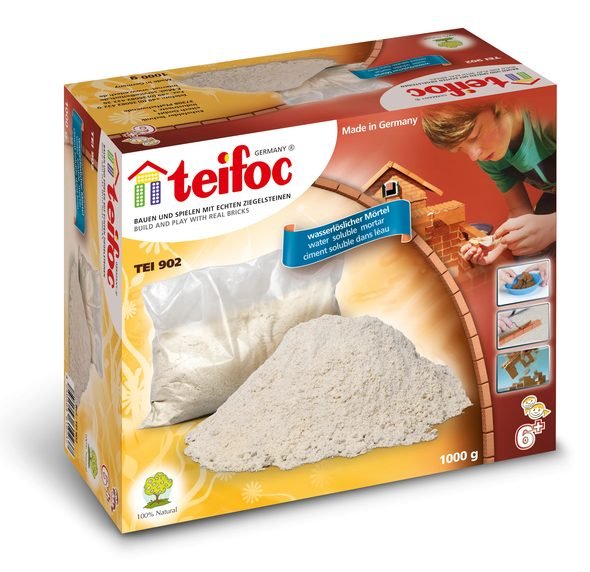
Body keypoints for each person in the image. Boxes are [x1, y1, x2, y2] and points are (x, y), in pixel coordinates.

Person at [422, 103, 555, 264]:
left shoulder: (548, 118)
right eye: (460, 148)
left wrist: (554, 225)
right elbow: (520, 211)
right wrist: (496, 243)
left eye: (474, 136)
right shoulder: (489, 158)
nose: (474, 155)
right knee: (527, 252)